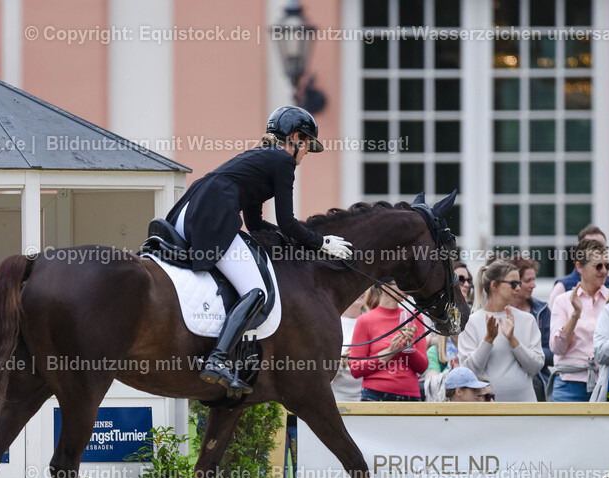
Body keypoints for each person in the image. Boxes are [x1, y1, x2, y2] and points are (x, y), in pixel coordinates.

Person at [165, 105, 352, 394]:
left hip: (186, 212)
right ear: (296, 137)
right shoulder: (282, 162)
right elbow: (288, 222)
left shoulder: (259, 158)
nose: (304, 156)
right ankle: (216, 359)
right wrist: (321, 243)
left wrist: (289, 241)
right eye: (306, 147)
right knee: (256, 291)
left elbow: (254, 223)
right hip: (212, 215)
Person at [458, 260, 544, 401]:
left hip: (524, 406)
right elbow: (469, 372)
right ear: (494, 285)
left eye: (519, 283)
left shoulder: (528, 320)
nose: (518, 288)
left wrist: (513, 340)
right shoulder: (471, 322)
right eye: (513, 284)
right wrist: (488, 340)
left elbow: (535, 368)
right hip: (487, 408)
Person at [549, 239, 609, 401]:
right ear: (579, 267)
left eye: (607, 265)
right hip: (568, 384)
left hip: (606, 383)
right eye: (598, 266)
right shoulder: (563, 301)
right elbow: (557, 348)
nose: (604, 271)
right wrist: (575, 314)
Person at [349, 280, 428, 401]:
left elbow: (422, 368)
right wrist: (389, 352)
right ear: (386, 288)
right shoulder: (365, 320)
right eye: (400, 283)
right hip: (375, 395)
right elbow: (355, 368)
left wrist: (409, 348)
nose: (407, 287)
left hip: (410, 396)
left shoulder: (414, 318)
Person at [509, 257, 552, 400]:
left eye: (534, 279)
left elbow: (552, 353)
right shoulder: (498, 311)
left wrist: (522, 352)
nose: (533, 285)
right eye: (528, 281)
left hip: (537, 379)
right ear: (513, 282)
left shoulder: (542, 310)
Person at [548, 225, 609, 307]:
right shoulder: (562, 287)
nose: (598, 251)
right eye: (592, 247)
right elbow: (551, 318)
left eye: (602, 247)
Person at [331, 289, 368, 402]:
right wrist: (340, 364)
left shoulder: (373, 320)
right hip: (336, 397)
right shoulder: (331, 324)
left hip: (369, 397)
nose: (360, 290)